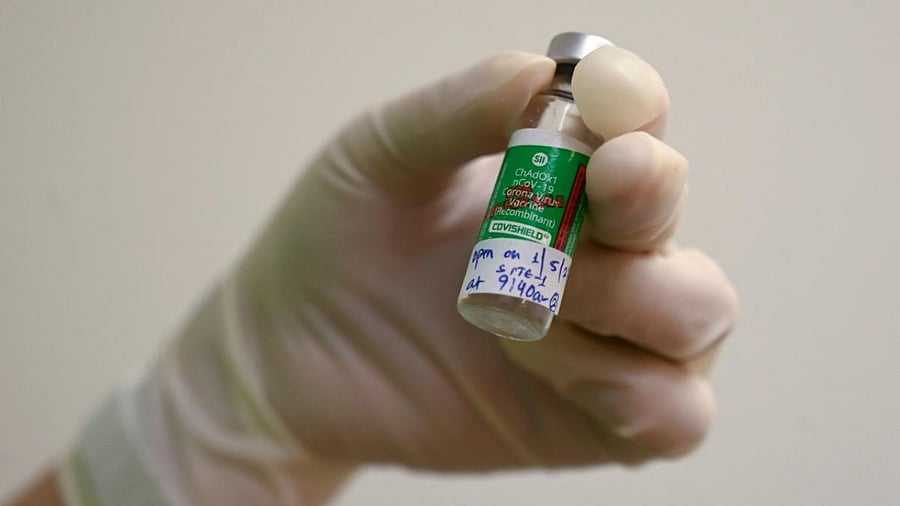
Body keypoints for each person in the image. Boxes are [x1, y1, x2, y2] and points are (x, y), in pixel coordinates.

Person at [7, 45, 738, 506]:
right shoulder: (543, 112)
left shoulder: (564, 135)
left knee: (620, 201)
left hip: (523, 299)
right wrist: (231, 413)